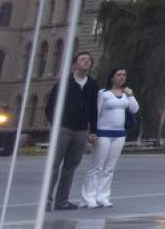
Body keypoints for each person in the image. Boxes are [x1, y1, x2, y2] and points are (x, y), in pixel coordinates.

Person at [44, 50, 99, 212]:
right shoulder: (64, 83)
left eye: (89, 60)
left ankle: (62, 201)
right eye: (83, 59)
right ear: (75, 64)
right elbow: (50, 106)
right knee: (54, 165)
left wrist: (93, 130)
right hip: (63, 129)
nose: (86, 62)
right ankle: (47, 200)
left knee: (71, 166)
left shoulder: (92, 85)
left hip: (81, 131)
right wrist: (56, 124)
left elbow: (94, 109)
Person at [81, 67, 137, 209]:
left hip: (119, 135)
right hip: (103, 133)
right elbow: (96, 113)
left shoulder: (126, 94)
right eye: (119, 75)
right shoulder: (103, 93)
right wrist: (92, 131)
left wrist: (130, 95)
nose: (122, 77)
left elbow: (134, 109)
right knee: (97, 166)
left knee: (109, 168)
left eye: (124, 75)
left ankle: (103, 196)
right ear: (112, 78)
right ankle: (89, 197)